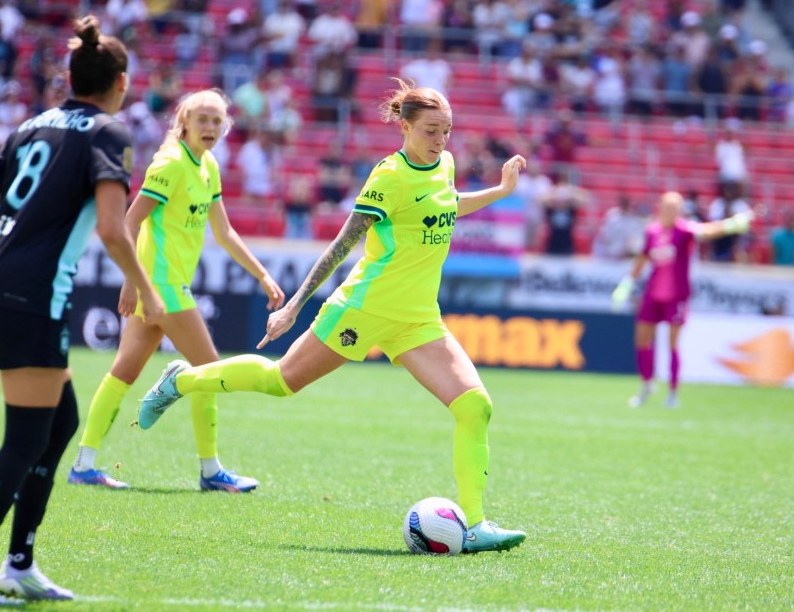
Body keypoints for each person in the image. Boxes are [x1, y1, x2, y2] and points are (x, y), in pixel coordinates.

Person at [137, 80, 529, 553]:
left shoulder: (443, 165)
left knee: (475, 406)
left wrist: (500, 190)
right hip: (362, 309)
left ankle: (477, 525)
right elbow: (342, 245)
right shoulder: (388, 177)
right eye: (430, 130)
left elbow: (448, 207)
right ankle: (181, 381)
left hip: (419, 319)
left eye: (446, 130)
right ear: (404, 127)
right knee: (281, 381)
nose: (440, 140)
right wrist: (294, 306)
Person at [0, 16, 165, 605]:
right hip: (27, 294)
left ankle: (19, 565)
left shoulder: (32, 124)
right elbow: (114, 230)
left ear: (69, 76)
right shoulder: (109, 132)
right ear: (121, 80)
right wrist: (145, 289)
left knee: (57, 425)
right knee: (26, 438)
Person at [69, 88, 285, 491]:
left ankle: (84, 464)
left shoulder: (209, 167)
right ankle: (210, 471)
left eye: (217, 121)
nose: (210, 127)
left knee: (123, 372)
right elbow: (128, 225)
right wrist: (132, 283)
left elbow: (224, 231)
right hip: (161, 287)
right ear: (183, 121)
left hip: (164, 288)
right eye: (202, 119)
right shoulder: (169, 164)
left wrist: (261, 274)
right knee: (208, 369)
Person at [611, 192, 753, 409]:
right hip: (653, 294)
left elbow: (708, 231)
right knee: (641, 339)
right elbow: (643, 259)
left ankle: (672, 392)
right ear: (660, 207)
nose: (671, 211)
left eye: (675, 207)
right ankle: (647, 384)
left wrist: (731, 225)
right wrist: (627, 284)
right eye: (668, 206)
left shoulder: (685, 230)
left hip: (676, 296)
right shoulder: (652, 231)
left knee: (672, 345)